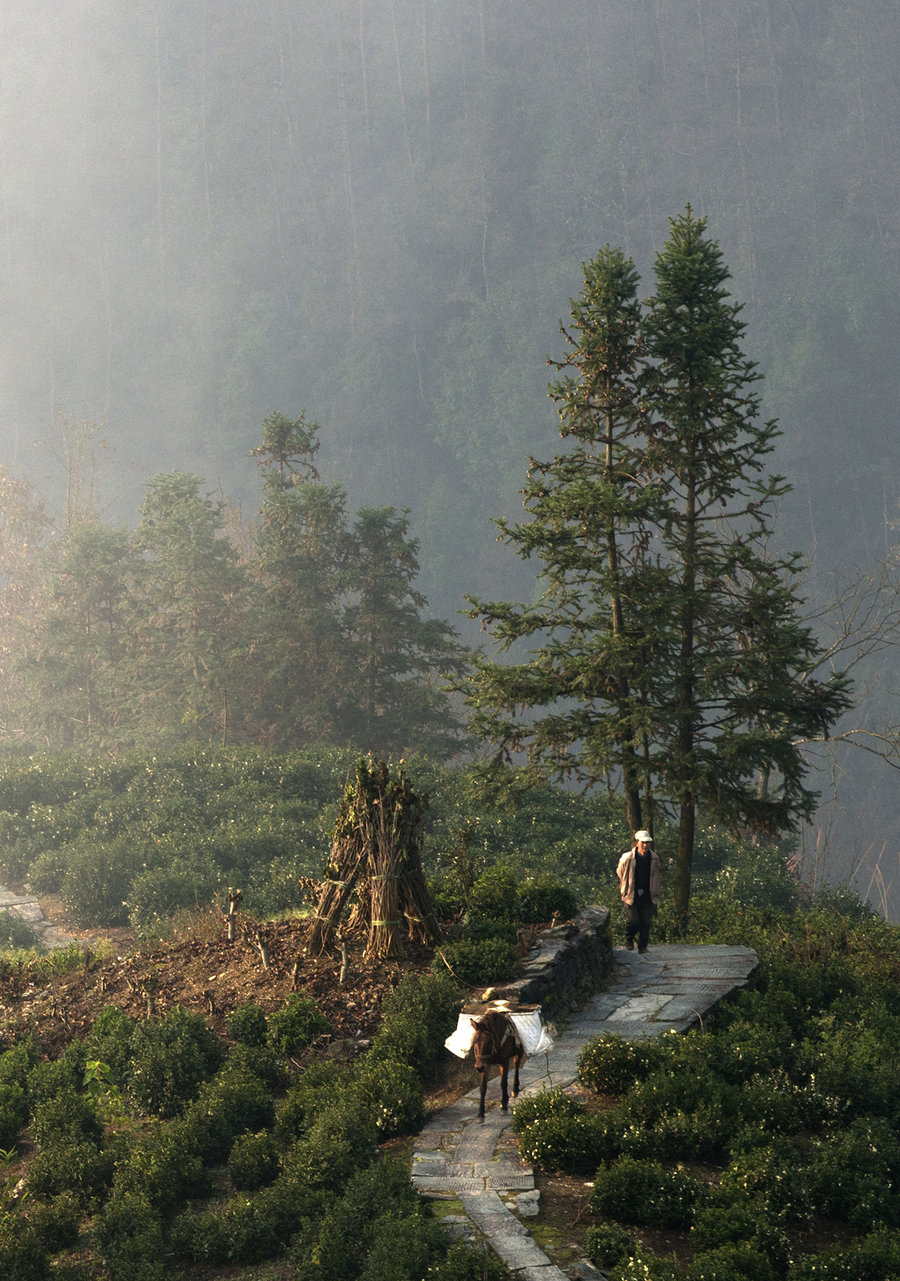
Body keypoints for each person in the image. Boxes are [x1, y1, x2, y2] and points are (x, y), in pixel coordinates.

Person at [616, 829, 660, 954]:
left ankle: (642, 947)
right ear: (637, 843)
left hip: (647, 894)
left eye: (648, 843)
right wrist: (626, 886)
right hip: (631, 893)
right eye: (643, 843)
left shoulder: (654, 858)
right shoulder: (628, 857)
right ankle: (629, 939)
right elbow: (620, 872)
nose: (645, 845)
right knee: (634, 920)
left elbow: (656, 875)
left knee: (646, 921)